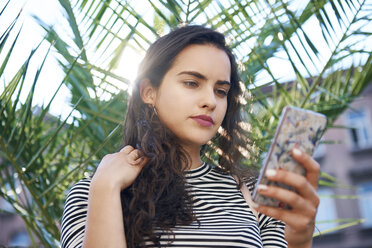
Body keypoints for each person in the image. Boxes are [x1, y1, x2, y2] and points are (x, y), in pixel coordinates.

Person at [60, 25, 320, 248]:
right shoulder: (93, 191)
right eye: (192, 83)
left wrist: (300, 240)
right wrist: (105, 188)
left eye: (221, 91)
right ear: (149, 92)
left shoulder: (251, 192)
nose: (210, 101)